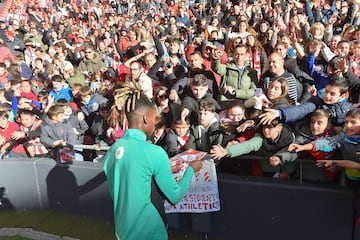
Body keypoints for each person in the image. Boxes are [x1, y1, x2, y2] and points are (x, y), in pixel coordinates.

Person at [102, 86, 202, 240]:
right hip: (149, 231)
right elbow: (174, 195)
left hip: (122, 231)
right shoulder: (154, 152)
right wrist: (190, 170)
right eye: (155, 118)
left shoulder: (112, 150)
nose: (156, 122)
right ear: (146, 118)